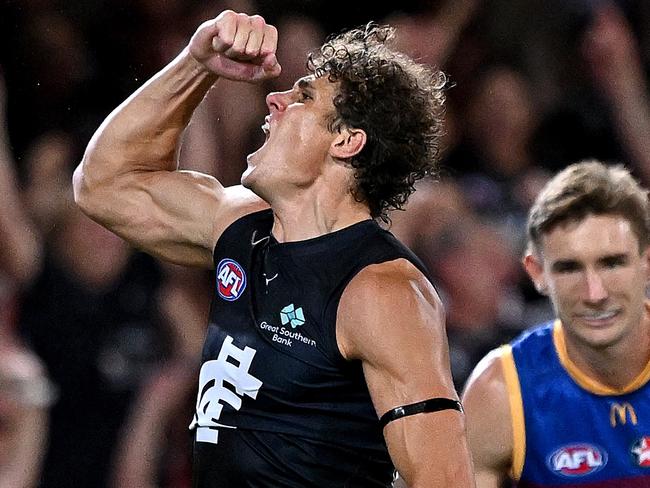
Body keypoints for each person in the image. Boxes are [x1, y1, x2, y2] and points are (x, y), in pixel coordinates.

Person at [72, 9, 474, 488]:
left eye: (303, 96)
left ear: (347, 140)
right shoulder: (240, 225)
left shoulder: (384, 292)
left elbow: (444, 479)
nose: (274, 99)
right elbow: (102, 185)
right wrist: (197, 65)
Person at [462, 160, 650, 487]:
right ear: (537, 273)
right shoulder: (500, 393)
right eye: (569, 269)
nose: (595, 293)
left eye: (612, 263)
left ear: (647, 262)